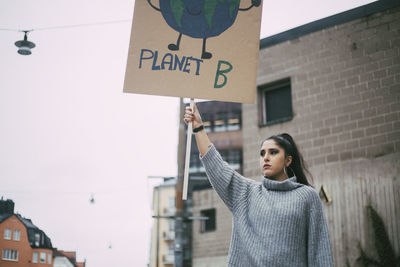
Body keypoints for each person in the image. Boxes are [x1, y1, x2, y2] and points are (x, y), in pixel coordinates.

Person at [184, 103, 334, 267]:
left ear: (288, 160)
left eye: (273, 152)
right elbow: (215, 166)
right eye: (262, 153)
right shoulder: (246, 192)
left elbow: (320, 252)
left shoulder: (307, 196)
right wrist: (198, 128)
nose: (266, 158)